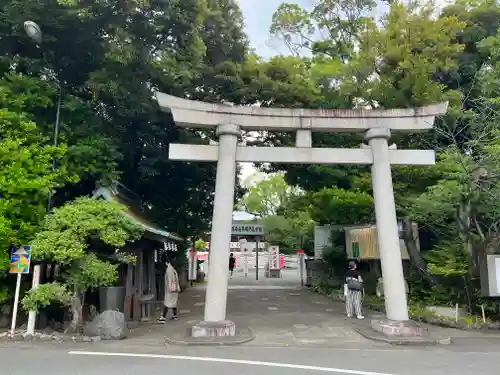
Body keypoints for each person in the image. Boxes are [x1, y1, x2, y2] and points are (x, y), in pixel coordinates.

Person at [159, 258, 180, 322]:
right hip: (175, 289)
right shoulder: (174, 270)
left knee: (167, 302)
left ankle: (163, 317)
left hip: (170, 289)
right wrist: (178, 287)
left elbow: (170, 279)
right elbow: (177, 279)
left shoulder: (169, 269)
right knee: (173, 302)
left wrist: (170, 287)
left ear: (166, 262)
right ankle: (175, 315)